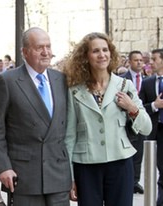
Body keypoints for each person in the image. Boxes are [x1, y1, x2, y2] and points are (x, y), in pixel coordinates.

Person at [63, 32, 151, 206]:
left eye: (105, 50)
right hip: (86, 166)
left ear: (111, 53)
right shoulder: (74, 91)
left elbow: (147, 128)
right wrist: (70, 177)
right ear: (85, 57)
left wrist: (131, 108)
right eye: (95, 51)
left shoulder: (125, 86)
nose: (102, 55)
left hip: (120, 163)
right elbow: (70, 137)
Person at [0, 27, 72, 206]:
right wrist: (3, 167)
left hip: (58, 173)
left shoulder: (61, 80)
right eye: (39, 47)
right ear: (25, 52)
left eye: (48, 46)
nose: (46, 52)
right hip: (24, 175)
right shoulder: (8, 81)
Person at [120, 50, 146, 194]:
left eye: (141, 60)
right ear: (129, 62)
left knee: (139, 153)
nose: (139, 63)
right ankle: (128, 181)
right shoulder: (122, 80)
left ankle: (135, 181)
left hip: (141, 121)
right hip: (127, 123)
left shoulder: (148, 79)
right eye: (136, 60)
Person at [139, 48, 163, 206]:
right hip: (157, 133)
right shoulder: (147, 83)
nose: (150, 63)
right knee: (161, 169)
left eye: (154, 59)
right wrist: (154, 105)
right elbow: (139, 108)